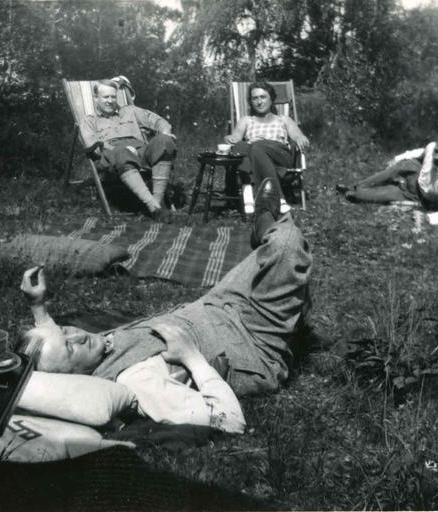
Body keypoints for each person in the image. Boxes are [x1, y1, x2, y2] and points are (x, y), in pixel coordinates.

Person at [20, 179, 312, 434]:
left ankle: (266, 236)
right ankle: (267, 226)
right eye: (71, 348)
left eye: (66, 330)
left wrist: (38, 307)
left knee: (276, 260)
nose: (78, 336)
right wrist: (191, 358)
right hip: (253, 340)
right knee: (286, 244)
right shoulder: (136, 380)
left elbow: (52, 344)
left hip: (218, 303)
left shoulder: (86, 351)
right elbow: (228, 420)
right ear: (74, 378)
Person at [80, 78, 177, 220]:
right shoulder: (89, 121)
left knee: (165, 142)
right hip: (112, 155)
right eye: (105, 97)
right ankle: (153, 206)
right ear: (96, 98)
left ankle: (157, 205)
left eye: (113, 97)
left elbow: (159, 121)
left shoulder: (130, 111)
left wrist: (165, 132)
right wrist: (119, 148)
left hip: (140, 152)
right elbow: (92, 146)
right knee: (122, 153)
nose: (110, 101)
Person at [335, 134, 438, 225]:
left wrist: (428, 218)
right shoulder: (432, 147)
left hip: (422, 197)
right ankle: (355, 185)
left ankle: (356, 192)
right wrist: (397, 159)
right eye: (436, 151)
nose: (436, 157)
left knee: (356, 196)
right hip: (418, 180)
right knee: (407, 163)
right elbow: (420, 152)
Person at [224, 82, 310, 215]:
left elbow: (296, 134)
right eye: (255, 98)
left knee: (255, 147)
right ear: (251, 102)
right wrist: (230, 138)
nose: (259, 102)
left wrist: (299, 137)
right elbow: (236, 137)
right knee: (241, 147)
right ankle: (269, 199)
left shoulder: (283, 119)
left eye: (263, 97)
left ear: (271, 99)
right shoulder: (246, 120)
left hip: (279, 154)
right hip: (257, 156)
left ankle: (258, 193)